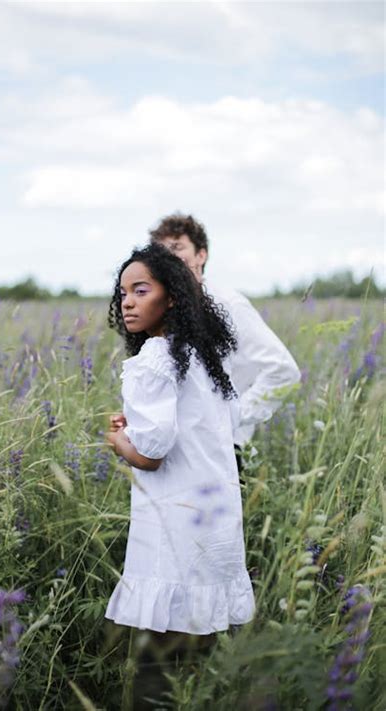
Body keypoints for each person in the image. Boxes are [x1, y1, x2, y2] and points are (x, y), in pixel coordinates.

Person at [104, 243, 255, 637]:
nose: (128, 303)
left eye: (141, 291)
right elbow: (199, 425)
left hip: (175, 511)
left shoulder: (153, 359)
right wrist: (136, 427)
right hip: (214, 508)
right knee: (205, 627)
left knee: (165, 636)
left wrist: (120, 440)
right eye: (123, 293)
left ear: (171, 298)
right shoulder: (202, 356)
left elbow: (151, 456)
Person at [149, 213, 301, 462]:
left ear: (201, 254)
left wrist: (233, 415)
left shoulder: (228, 304)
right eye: (161, 250)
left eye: (177, 247)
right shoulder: (164, 309)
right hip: (178, 451)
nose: (168, 256)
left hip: (222, 450)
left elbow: (284, 371)